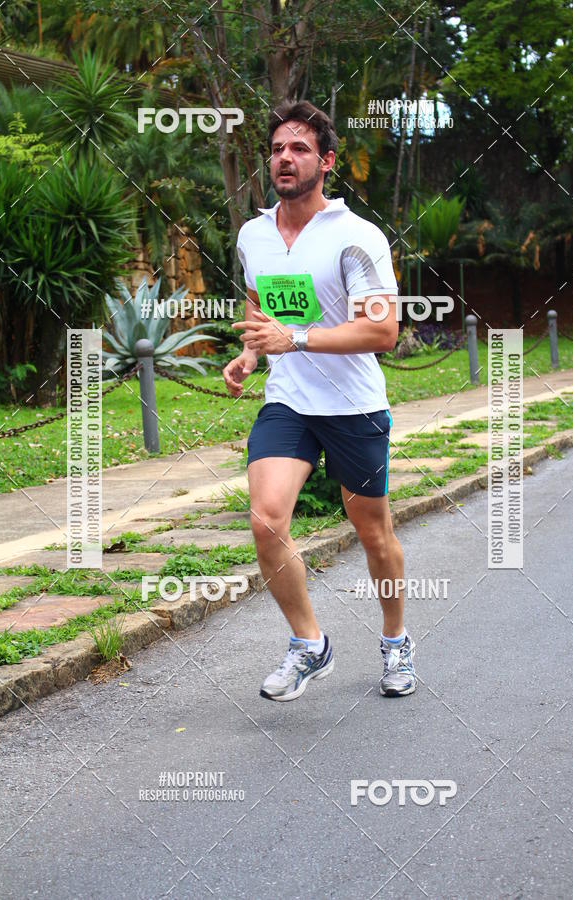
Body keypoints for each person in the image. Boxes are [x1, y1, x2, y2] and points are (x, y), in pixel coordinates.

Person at [223, 99, 417, 702]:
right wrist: (254, 353)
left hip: (353, 405)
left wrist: (296, 337)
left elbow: (381, 331)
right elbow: (261, 305)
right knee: (266, 519)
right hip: (289, 403)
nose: (285, 157)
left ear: (326, 162)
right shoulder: (253, 234)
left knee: (373, 532)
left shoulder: (357, 238)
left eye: (299, 148)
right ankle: (310, 645)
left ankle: (395, 643)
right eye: (278, 148)